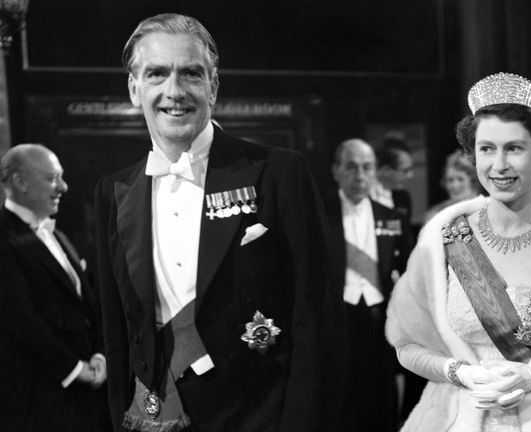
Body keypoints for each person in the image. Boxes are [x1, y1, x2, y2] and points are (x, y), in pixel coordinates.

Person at [94, 14, 344, 432]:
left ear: (213, 86)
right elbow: (117, 332)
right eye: (156, 74)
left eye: (191, 73)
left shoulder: (278, 173)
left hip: (260, 416)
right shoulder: (112, 191)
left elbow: (317, 322)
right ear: (135, 89)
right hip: (157, 416)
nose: (174, 91)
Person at [386, 72, 531, 431]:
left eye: (514, 148)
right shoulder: (444, 238)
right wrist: (461, 373)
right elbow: (407, 345)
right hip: (463, 416)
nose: (499, 165)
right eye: (487, 149)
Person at [0, 144, 108, 432]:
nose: (63, 186)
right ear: (19, 182)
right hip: (38, 402)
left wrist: (99, 354)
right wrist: (74, 369)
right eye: (52, 178)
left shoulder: (56, 233)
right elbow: (19, 320)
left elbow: (87, 303)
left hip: (83, 397)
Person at [324, 138, 412, 432]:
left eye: (367, 168)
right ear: (336, 170)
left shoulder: (392, 218)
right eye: (351, 167)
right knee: (339, 401)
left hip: (379, 321)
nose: (360, 176)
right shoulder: (318, 214)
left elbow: (408, 273)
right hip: (336, 321)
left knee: (381, 399)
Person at [424, 149, 481, 223]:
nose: (455, 185)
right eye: (450, 180)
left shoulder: (487, 210)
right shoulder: (435, 215)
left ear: (472, 181)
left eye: (460, 179)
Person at [371, 137, 415, 222]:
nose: (410, 175)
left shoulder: (403, 197)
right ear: (386, 170)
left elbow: (403, 232)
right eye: (405, 171)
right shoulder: (363, 195)